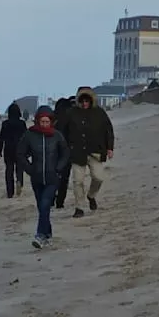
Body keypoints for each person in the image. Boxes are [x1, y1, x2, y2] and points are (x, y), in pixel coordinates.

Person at [16, 106, 71, 249]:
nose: (45, 124)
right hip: (37, 178)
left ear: (51, 121)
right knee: (42, 207)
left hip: (53, 178)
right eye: (42, 121)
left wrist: (59, 168)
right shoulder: (30, 135)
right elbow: (20, 153)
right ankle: (48, 234)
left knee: (46, 204)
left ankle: (40, 235)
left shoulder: (57, 136)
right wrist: (30, 169)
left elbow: (65, 153)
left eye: (47, 122)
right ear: (37, 121)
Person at [59, 87, 115, 219]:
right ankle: (79, 208)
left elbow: (108, 130)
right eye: (82, 100)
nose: (84, 103)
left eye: (87, 101)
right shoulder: (71, 113)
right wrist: (65, 147)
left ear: (91, 101)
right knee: (77, 181)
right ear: (78, 100)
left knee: (98, 178)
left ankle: (91, 195)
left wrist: (110, 148)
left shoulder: (99, 113)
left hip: (96, 151)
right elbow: (62, 131)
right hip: (77, 152)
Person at [0, 102, 27, 198]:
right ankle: (19, 182)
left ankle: (10, 192)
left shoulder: (5, 124)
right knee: (19, 169)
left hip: (8, 149)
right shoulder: (22, 123)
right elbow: (26, 137)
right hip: (20, 149)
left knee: (9, 170)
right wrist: (28, 150)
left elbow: (1, 138)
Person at [52, 96, 76, 210]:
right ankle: (60, 202)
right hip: (68, 151)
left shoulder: (54, 118)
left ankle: (51, 198)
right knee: (64, 178)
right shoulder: (71, 117)